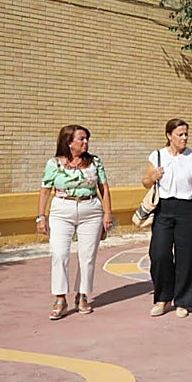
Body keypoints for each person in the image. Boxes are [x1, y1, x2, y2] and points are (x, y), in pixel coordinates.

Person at [36, 124, 113, 320]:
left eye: (87, 139)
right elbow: (45, 190)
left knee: (87, 256)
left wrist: (107, 214)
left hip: (91, 210)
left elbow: (103, 187)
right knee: (59, 254)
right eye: (81, 139)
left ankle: (82, 294)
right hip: (61, 209)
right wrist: (40, 217)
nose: (85, 142)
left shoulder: (95, 162)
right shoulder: (54, 163)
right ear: (69, 142)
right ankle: (60, 298)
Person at [141, 118, 192, 319]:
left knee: (187, 256)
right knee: (159, 253)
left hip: (187, 209)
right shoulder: (157, 156)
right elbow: (145, 182)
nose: (184, 138)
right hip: (163, 208)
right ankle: (162, 298)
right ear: (169, 136)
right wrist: (153, 176)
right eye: (180, 134)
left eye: (186, 134)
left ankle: (182, 300)